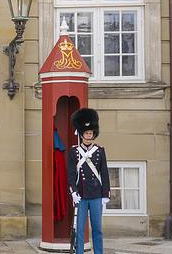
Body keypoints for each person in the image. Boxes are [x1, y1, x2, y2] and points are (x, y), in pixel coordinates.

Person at [67, 108, 110, 254]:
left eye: (91, 133)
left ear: (94, 134)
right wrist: (73, 191)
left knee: (97, 229)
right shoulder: (74, 152)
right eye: (86, 133)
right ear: (81, 134)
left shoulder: (99, 151)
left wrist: (106, 194)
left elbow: (104, 173)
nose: (89, 135)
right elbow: (71, 174)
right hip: (82, 196)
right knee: (79, 229)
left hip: (97, 195)